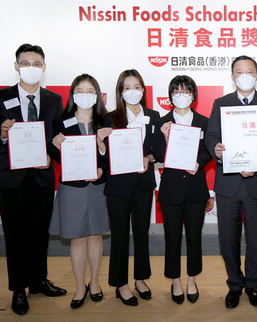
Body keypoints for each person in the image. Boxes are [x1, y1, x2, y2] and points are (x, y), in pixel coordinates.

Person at [0, 43, 67, 315]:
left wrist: (58, 150)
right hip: (11, 179)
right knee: (16, 236)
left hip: (41, 177)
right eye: (25, 63)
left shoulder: (54, 99)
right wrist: (3, 134)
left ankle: (39, 281)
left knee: (40, 233)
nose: (31, 68)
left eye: (36, 63)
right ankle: (18, 288)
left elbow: (54, 139)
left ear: (44, 67)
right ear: (17, 66)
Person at [205, 55, 257, 309]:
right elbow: (211, 136)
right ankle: (234, 284)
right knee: (228, 238)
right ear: (233, 76)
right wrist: (218, 150)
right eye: (239, 71)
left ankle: (252, 284)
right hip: (228, 184)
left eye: (249, 71)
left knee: (255, 238)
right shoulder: (220, 103)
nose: (244, 75)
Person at [99, 69, 160, 306]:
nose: (132, 91)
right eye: (126, 88)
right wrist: (101, 144)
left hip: (144, 185)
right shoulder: (110, 118)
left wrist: (150, 157)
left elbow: (160, 150)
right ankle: (120, 284)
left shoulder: (155, 116)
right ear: (120, 92)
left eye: (136, 87)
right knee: (120, 236)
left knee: (142, 234)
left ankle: (141, 279)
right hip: (118, 188)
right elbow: (104, 158)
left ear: (143, 90)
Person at [48, 74, 109, 309]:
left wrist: (102, 164)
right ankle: (80, 286)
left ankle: (94, 283)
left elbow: (111, 158)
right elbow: (56, 156)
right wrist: (55, 147)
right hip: (71, 188)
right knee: (77, 239)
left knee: (95, 236)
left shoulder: (105, 121)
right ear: (73, 94)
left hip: (98, 187)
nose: (85, 95)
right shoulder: (61, 122)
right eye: (80, 91)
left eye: (89, 90)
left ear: (97, 95)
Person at [152, 75, 212, 304]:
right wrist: (166, 138)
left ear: (194, 95)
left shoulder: (204, 122)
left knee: (195, 236)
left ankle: (191, 279)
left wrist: (200, 161)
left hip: (196, 188)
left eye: (186, 91)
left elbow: (208, 150)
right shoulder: (162, 121)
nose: (181, 95)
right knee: (172, 237)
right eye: (176, 91)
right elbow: (157, 155)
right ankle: (175, 280)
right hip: (171, 189)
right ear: (170, 96)